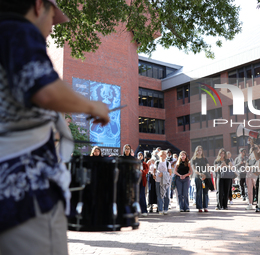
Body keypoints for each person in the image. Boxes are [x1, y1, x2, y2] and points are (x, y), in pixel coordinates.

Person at [0, 1, 110, 254]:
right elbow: (45, 90)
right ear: (39, 6)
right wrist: (92, 105)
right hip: (25, 196)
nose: (51, 29)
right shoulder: (18, 30)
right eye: (53, 18)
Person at [191, 145, 210, 212]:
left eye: (200, 150)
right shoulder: (193, 159)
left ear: (202, 151)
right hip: (197, 177)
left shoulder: (205, 159)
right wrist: (200, 174)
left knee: (205, 192)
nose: (199, 151)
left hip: (205, 177)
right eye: (198, 150)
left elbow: (208, 167)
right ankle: (199, 207)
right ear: (196, 151)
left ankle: (205, 207)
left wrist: (205, 174)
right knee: (199, 192)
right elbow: (194, 169)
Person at [154, 150, 172, 215]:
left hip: (166, 181)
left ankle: (166, 209)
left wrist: (163, 174)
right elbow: (154, 170)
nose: (166, 155)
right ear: (161, 155)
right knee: (159, 195)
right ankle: (160, 209)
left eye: (166, 154)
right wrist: (154, 175)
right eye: (164, 154)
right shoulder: (157, 162)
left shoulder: (168, 163)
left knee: (166, 195)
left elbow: (170, 173)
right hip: (158, 181)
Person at [245, 137, 259, 210]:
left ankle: (259, 203)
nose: (252, 151)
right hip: (249, 175)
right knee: (249, 190)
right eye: (251, 151)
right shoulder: (248, 159)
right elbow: (246, 167)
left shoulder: (257, 157)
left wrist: (250, 168)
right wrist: (250, 168)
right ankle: (250, 204)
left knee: (257, 189)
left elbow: (257, 165)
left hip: (255, 174)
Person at [137, 152, 149, 216]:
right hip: (136, 181)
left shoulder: (145, 164)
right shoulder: (135, 163)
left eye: (141, 155)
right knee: (136, 196)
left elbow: (145, 172)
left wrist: (140, 172)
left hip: (142, 181)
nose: (140, 156)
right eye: (139, 155)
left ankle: (144, 210)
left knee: (142, 196)